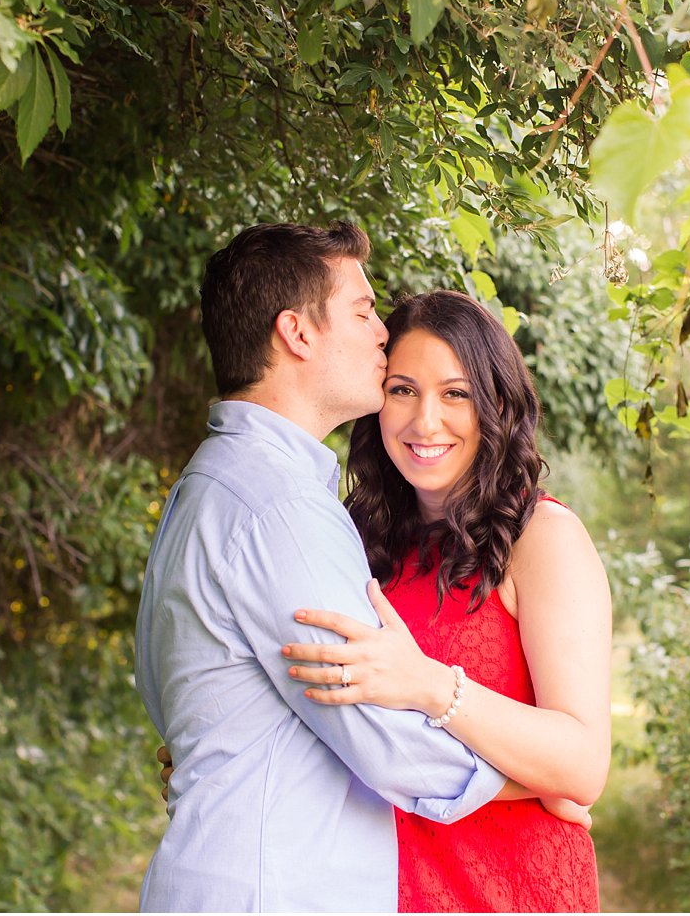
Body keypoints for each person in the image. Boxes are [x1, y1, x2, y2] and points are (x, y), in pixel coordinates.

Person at [134, 222, 517, 913]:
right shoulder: (277, 505)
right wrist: (533, 783)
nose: (382, 334)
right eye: (364, 311)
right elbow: (384, 739)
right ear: (297, 333)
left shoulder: (212, 483)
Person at [279, 290, 612, 912]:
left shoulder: (542, 539)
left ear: (496, 404)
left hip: (510, 890)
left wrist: (430, 686)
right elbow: (338, 723)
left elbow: (582, 763)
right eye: (403, 390)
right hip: (381, 888)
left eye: (455, 394)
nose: (425, 421)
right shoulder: (352, 539)